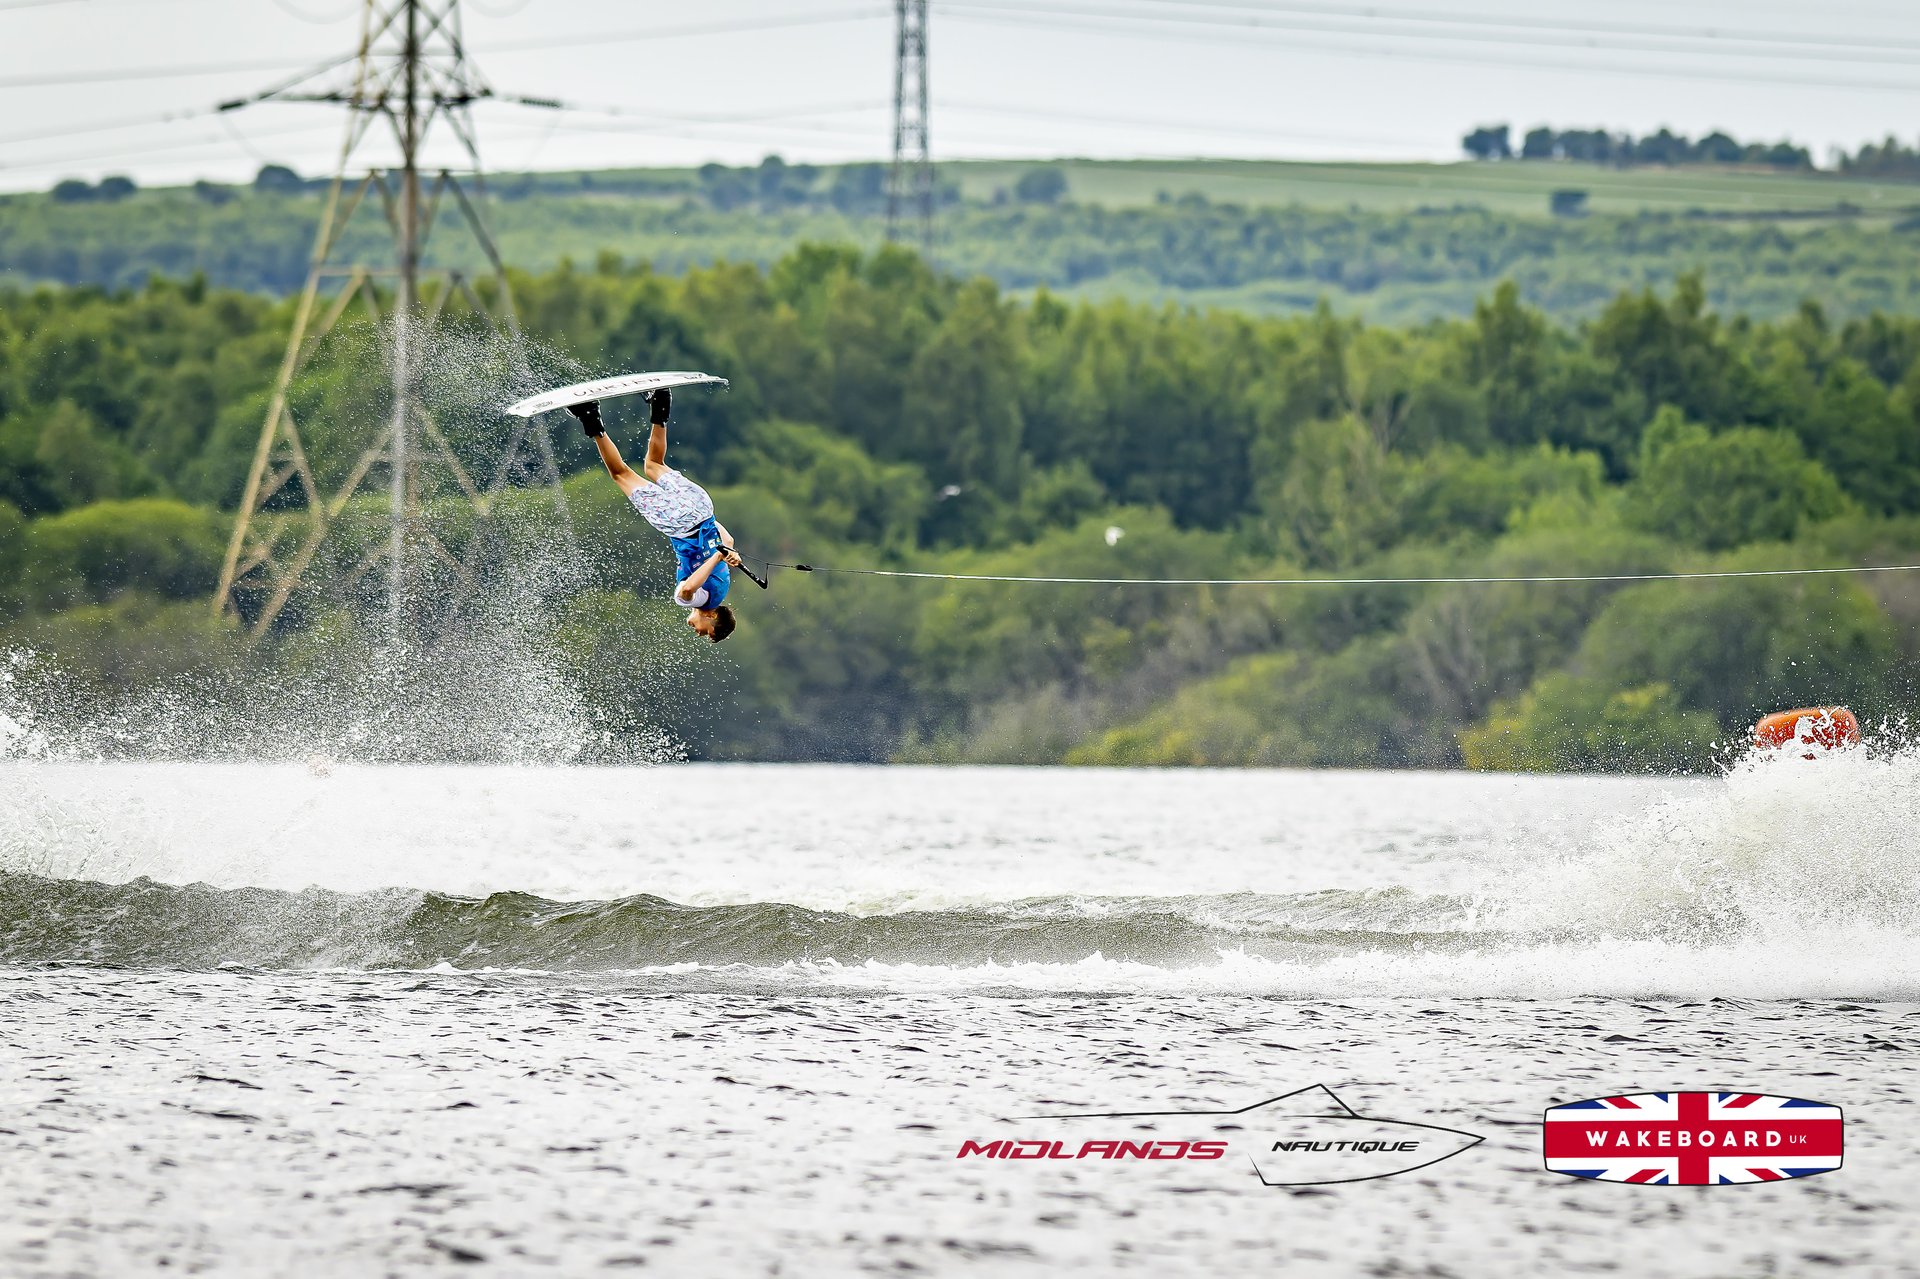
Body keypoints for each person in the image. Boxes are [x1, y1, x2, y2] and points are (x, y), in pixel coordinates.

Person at [568, 387, 740, 642]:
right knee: (621, 474)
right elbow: (687, 589)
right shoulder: (702, 600)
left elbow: (728, 541)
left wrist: (723, 551)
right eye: (707, 633)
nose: (699, 632)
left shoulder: (722, 585)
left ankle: (661, 404)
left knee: (653, 464)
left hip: (702, 507)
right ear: (713, 617)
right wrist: (717, 556)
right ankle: (590, 416)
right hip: (680, 522)